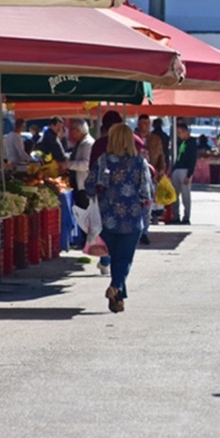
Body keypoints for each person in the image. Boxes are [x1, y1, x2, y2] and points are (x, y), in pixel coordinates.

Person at [86, 124, 152, 314]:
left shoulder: (103, 161)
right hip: (131, 218)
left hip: (108, 218)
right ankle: (115, 287)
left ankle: (118, 299)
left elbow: (89, 185)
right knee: (124, 259)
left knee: (116, 258)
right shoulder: (140, 163)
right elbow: (146, 192)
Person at [171, 122, 197, 225]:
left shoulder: (192, 143)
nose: (179, 135)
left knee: (185, 195)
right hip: (177, 168)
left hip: (185, 170)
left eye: (180, 132)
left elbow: (192, 160)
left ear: (186, 131)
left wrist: (189, 174)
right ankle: (175, 215)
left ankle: (186, 217)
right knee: (175, 195)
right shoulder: (181, 142)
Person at [67, 119, 94, 211]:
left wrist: (68, 165)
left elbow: (86, 164)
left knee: (83, 211)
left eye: (72, 130)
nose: (71, 133)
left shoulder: (88, 144)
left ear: (78, 130)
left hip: (84, 186)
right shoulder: (79, 142)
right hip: (77, 185)